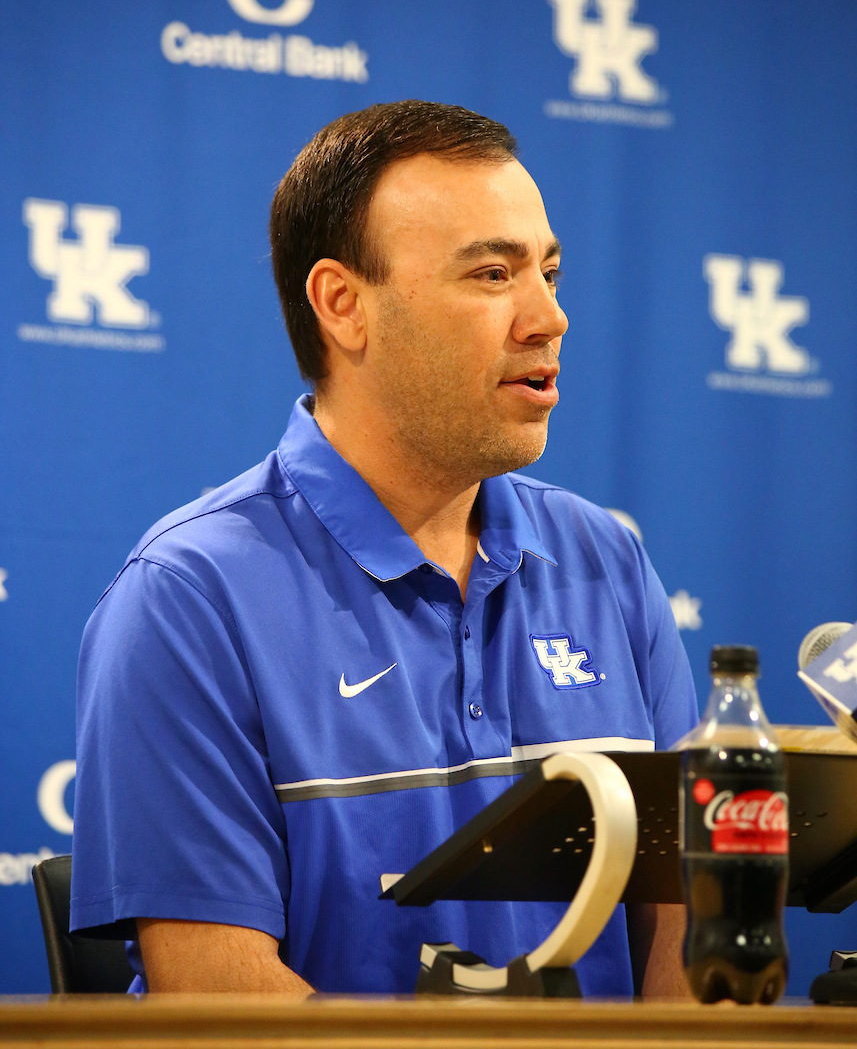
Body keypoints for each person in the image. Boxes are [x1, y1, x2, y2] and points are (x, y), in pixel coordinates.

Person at [71, 101, 697, 997]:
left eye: (550, 274)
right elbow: (218, 988)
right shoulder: (188, 595)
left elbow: (686, 910)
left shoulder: (604, 557)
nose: (548, 318)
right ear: (343, 306)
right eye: (492, 274)